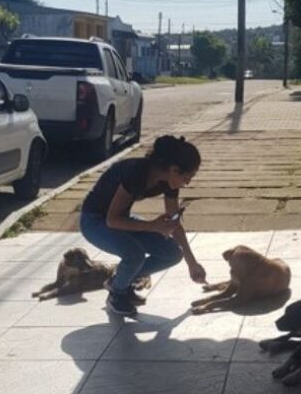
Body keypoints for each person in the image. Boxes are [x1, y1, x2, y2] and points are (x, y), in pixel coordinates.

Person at [80, 135, 207, 317]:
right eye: (188, 177)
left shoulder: (169, 182)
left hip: (121, 218)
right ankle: (118, 293)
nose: (187, 183)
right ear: (174, 169)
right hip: (94, 221)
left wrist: (192, 263)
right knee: (134, 254)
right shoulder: (136, 172)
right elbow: (112, 220)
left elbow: (173, 223)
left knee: (171, 253)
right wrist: (153, 226)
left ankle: (120, 281)